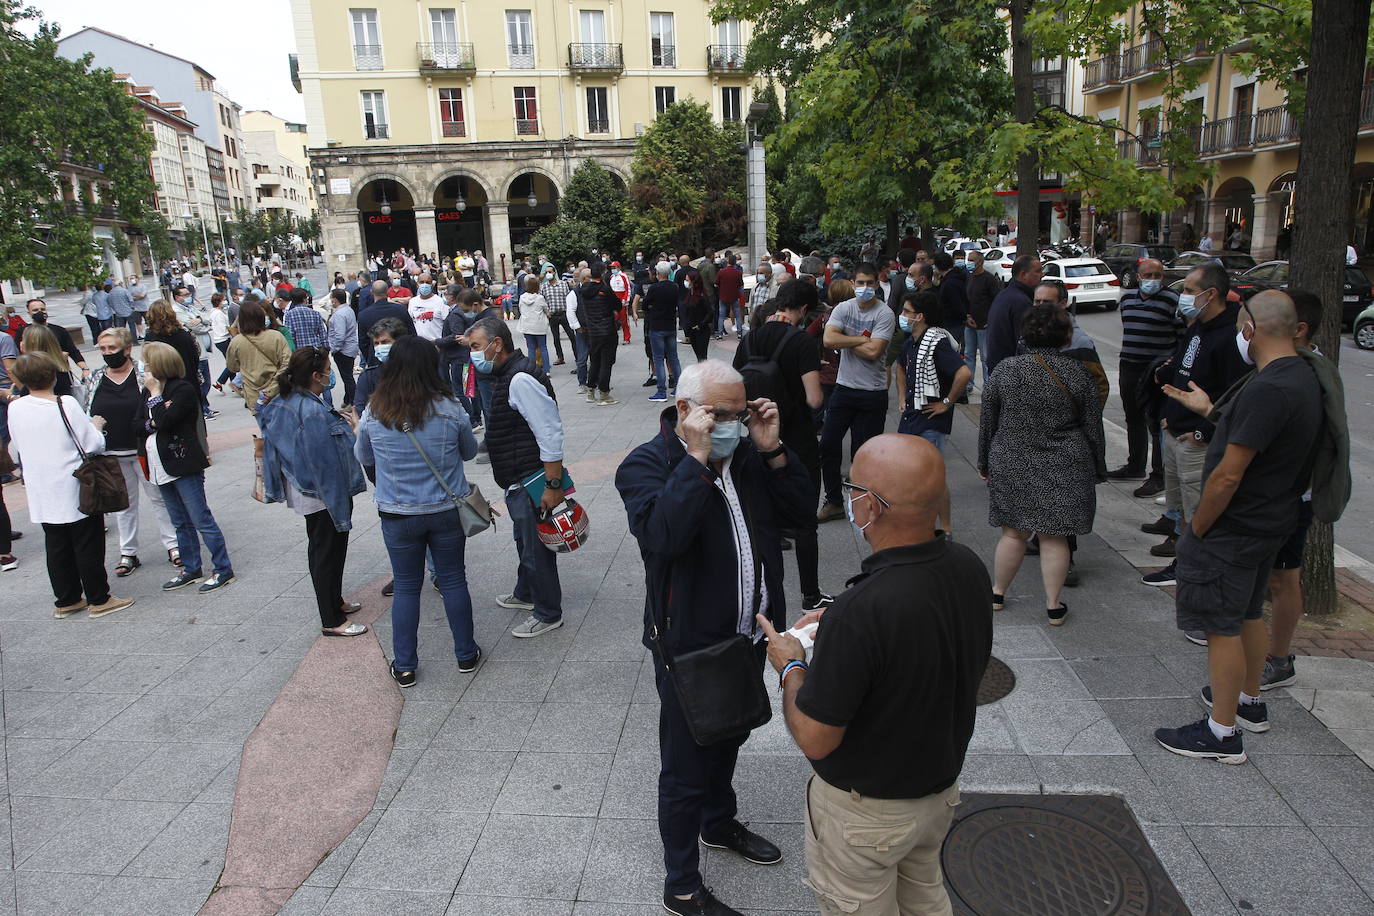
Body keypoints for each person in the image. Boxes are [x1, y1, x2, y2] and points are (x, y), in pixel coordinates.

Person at [758, 434, 991, 916]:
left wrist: (790, 666)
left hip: (868, 817)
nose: (848, 497)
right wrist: (844, 619)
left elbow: (816, 739)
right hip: (937, 795)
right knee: (924, 897)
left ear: (870, 505)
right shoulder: (967, 567)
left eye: (851, 487)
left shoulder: (865, 611)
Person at [615, 360, 815, 916]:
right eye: (721, 415)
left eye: (741, 412)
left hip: (749, 635)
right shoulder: (646, 465)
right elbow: (665, 536)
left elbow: (801, 513)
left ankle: (718, 821)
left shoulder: (749, 456)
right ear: (686, 412)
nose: (734, 424)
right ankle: (681, 884)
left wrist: (774, 449)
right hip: (690, 647)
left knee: (730, 734)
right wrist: (699, 460)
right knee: (684, 765)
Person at [1153, 291, 1322, 763]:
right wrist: (1211, 411)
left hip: (1236, 525)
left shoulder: (1270, 387)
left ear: (1251, 328)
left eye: (1241, 322)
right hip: (1270, 519)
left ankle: (1221, 733)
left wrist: (1199, 527)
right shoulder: (1302, 376)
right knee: (1247, 613)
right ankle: (1248, 702)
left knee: (1220, 625)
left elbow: (1229, 471)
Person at [978, 304, 1105, 625]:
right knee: (1054, 537)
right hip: (1065, 462)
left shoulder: (1005, 371)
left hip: (1011, 457)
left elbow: (988, 421)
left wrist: (984, 461)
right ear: (1064, 337)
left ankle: (997, 593)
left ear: (1025, 334)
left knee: (1013, 533)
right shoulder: (1078, 373)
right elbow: (1092, 426)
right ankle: (1053, 605)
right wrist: (1097, 466)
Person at [1143, 264, 1250, 588]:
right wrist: (1169, 415)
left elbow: (1235, 396)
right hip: (1176, 431)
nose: (1183, 296)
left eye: (1189, 290)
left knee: (1198, 511)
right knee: (1181, 507)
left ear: (1210, 294)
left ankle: (1193, 572)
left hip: (1198, 441)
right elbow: (1181, 371)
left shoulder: (1229, 335)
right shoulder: (1197, 326)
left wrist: (1206, 431)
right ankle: (1183, 561)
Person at [7, 353, 133, 619]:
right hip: (74, 482)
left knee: (56, 544)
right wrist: (96, 426)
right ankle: (99, 598)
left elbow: (17, 445)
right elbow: (92, 444)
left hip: (41, 486)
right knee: (87, 541)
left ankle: (66, 598)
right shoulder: (65, 404)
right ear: (53, 375)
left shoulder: (16, 407)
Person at [466, 317, 568, 638]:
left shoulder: (520, 378)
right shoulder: (508, 374)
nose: (474, 355)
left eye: (476, 347)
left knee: (536, 549)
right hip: (519, 477)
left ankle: (548, 612)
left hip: (532, 478)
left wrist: (553, 485)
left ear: (497, 344)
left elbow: (550, 432)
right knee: (525, 540)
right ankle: (525, 593)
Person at [732, 280, 829, 611]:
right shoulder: (801, 341)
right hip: (797, 442)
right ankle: (810, 594)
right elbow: (814, 399)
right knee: (805, 523)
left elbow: (734, 391)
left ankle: (762, 594)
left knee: (763, 519)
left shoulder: (749, 338)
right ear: (803, 310)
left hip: (757, 440)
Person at [261, 347, 369, 638]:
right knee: (326, 551)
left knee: (326, 548)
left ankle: (335, 601)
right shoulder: (309, 411)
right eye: (327, 369)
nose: (330, 374)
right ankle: (331, 619)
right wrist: (354, 434)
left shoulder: (290, 400)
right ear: (315, 375)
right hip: (321, 492)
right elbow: (324, 464)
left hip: (309, 489)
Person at [138, 342, 234, 593]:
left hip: (183, 462)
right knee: (179, 520)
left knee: (200, 517)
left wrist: (156, 404)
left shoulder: (182, 389)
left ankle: (222, 568)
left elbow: (166, 422)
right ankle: (191, 568)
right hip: (159, 464)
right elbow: (138, 424)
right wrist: (154, 418)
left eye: (147, 363)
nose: (144, 369)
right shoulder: (147, 391)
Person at [86, 327, 179, 575]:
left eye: (112, 348)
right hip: (111, 454)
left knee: (159, 498)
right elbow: (88, 410)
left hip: (142, 449)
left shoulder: (143, 374)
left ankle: (173, 545)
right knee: (123, 505)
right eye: (103, 349)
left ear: (127, 349)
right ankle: (128, 552)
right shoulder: (96, 377)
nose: (107, 353)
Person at [817, 263, 896, 523]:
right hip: (844, 388)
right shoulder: (843, 308)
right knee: (828, 445)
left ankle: (863, 502)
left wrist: (846, 338)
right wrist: (863, 338)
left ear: (876, 283)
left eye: (869, 283)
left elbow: (875, 353)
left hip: (872, 393)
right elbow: (828, 340)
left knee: (863, 453)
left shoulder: (884, 314)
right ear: (852, 283)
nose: (864, 288)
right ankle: (834, 501)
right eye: (860, 283)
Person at [1109, 258, 1183, 496]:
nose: (1153, 280)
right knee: (1133, 417)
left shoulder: (1173, 300)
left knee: (1156, 422)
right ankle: (1135, 465)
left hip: (1156, 371)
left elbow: (1181, 337)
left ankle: (1158, 475)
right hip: (1129, 366)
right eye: (1147, 275)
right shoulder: (1127, 300)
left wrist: (1167, 365)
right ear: (1138, 276)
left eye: (1157, 275)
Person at [894, 288, 972, 464]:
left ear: (920, 316)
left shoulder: (937, 343)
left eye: (906, 311)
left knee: (926, 478)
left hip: (930, 425)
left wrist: (946, 403)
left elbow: (964, 372)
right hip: (911, 419)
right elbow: (900, 366)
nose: (902, 315)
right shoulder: (910, 342)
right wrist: (901, 396)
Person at [224, 300, 292, 415]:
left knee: (265, 428)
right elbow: (288, 363)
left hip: (254, 394)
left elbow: (232, 367)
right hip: (279, 391)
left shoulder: (237, 342)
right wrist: (274, 385)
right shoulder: (276, 336)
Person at [985, 255, 1042, 372]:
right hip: (1011, 372)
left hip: (1000, 368)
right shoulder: (1020, 302)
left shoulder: (1005, 294)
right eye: (1038, 271)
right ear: (1023, 275)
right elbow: (1026, 343)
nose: (1042, 275)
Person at [578, 264, 621, 406]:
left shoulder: (583, 289)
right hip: (607, 330)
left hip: (593, 331)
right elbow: (617, 305)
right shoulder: (605, 289)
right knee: (606, 363)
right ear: (602, 274)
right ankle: (604, 394)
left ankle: (590, 391)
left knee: (595, 361)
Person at [23, 299, 89, 384]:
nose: (40, 312)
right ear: (29, 313)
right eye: (35, 310)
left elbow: (73, 351)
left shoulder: (60, 330)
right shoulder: (24, 332)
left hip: (61, 376)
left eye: (42, 309)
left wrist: (84, 369)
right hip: (36, 378)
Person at [643, 262, 683, 402]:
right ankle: (678, 387)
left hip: (657, 325)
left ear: (657, 273)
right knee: (673, 357)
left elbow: (645, 304)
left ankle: (661, 391)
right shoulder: (674, 287)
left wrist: (653, 307)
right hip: (670, 325)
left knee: (658, 359)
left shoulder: (654, 288)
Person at [963, 250, 1001, 387]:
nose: (969, 263)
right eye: (969, 259)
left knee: (985, 357)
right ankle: (968, 385)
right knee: (968, 355)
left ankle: (988, 385)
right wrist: (966, 316)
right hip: (969, 324)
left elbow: (996, 301)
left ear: (980, 261)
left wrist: (989, 321)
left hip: (984, 325)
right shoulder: (969, 277)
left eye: (972, 260)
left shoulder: (989, 279)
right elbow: (965, 300)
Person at [358, 278, 416, 364]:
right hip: (401, 358)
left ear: (371, 292)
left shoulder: (364, 315)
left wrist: (370, 360)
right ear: (387, 291)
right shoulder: (401, 309)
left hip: (376, 359)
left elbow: (363, 343)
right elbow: (412, 335)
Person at [326, 288, 360, 408]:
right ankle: (347, 398)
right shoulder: (348, 310)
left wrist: (334, 349)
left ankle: (354, 402)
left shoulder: (339, 314)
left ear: (334, 300)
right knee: (348, 376)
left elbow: (340, 336)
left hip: (343, 350)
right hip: (350, 347)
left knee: (347, 378)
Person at [19, 326, 74, 397]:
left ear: (31, 343)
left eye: (23, 339)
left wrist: (10, 396)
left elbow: (32, 399)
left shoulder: (40, 372)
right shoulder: (59, 365)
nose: (21, 342)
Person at [516, 275, 552, 369]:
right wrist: (548, 314)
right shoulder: (540, 298)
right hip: (539, 326)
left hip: (527, 326)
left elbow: (520, 309)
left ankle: (532, 369)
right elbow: (546, 310)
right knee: (543, 347)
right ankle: (546, 369)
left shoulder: (522, 297)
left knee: (531, 348)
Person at [541, 269, 574, 366]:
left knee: (572, 336)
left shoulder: (563, 284)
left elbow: (568, 297)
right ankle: (560, 357)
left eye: (550, 272)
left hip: (564, 314)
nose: (548, 274)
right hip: (553, 315)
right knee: (556, 338)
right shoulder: (544, 286)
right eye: (546, 272)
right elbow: (542, 301)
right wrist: (546, 312)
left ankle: (578, 356)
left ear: (555, 272)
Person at [407, 274, 449, 342]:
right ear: (417, 284)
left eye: (427, 282)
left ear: (432, 284)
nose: (424, 285)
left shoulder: (440, 301)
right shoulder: (412, 301)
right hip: (418, 343)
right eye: (422, 282)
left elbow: (447, 324)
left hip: (436, 343)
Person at [716, 253, 745, 338]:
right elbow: (741, 284)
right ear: (735, 262)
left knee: (721, 316)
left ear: (727, 261)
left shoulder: (721, 272)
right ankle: (739, 333)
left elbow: (716, 284)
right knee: (738, 315)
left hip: (723, 296)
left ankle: (720, 333)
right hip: (734, 296)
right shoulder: (738, 273)